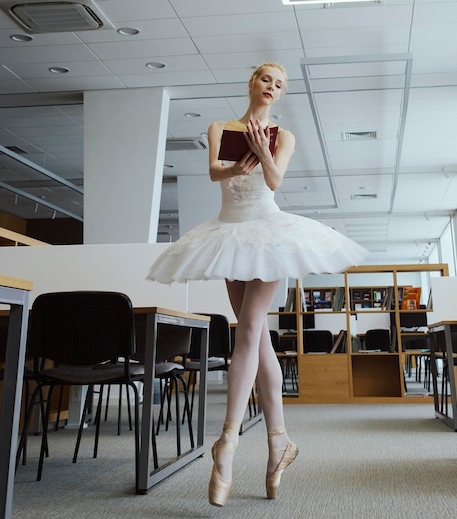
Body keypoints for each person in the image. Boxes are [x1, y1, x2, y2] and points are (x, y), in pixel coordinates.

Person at [147, 62, 368, 507]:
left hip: (269, 234)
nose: (273, 87)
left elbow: (274, 180)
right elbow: (214, 171)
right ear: (251, 82)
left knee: (248, 330)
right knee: (259, 339)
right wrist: (237, 162)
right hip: (230, 233)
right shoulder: (218, 127)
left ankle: (226, 440)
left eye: (280, 85)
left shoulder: (283, 136)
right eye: (267, 79)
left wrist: (260, 153)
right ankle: (279, 443)